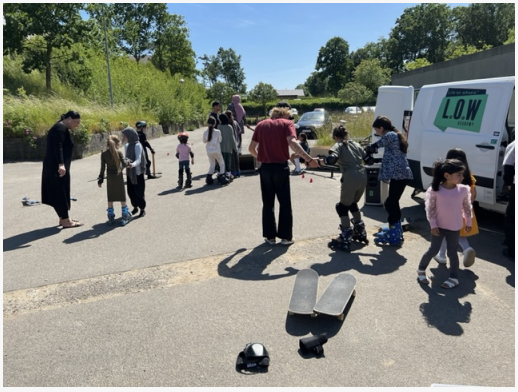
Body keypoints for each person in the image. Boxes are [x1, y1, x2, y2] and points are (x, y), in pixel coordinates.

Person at [248, 104, 321, 245]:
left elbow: (251, 148)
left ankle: (270, 237)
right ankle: (286, 237)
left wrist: (261, 158)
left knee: (268, 203)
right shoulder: (287, 124)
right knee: (285, 203)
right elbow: (292, 142)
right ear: (285, 114)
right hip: (280, 167)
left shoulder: (261, 125)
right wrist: (309, 159)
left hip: (265, 168)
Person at [417, 159, 472, 289]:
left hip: (455, 227)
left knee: (452, 253)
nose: (462, 177)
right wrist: (433, 225)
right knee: (433, 250)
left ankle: (454, 277)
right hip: (439, 227)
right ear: (447, 175)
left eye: (462, 174)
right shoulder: (435, 190)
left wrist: (468, 221)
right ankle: (421, 269)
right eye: (459, 174)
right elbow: (430, 208)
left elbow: (467, 207)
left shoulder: (463, 189)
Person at [365, 115, 413, 245]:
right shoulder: (395, 135)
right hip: (400, 174)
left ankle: (395, 232)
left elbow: (375, 146)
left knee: (391, 202)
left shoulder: (390, 135)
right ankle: (395, 229)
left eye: (376, 129)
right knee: (392, 202)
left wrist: (367, 150)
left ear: (381, 128)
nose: (376, 132)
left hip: (399, 174)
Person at [324, 124, 368, 252]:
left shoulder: (339, 144)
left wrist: (324, 161)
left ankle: (346, 236)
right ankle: (360, 230)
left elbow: (332, 159)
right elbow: (368, 159)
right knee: (352, 204)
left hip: (351, 176)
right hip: (362, 175)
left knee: (342, 207)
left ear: (335, 136)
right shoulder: (355, 144)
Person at [434, 148, 477, 267]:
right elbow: (473, 194)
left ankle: (442, 256)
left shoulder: (447, 175)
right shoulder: (468, 176)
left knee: (443, 233)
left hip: (449, 211)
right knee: (459, 234)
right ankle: (467, 248)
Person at [41, 111, 84, 228]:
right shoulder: (60, 129)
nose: (77, 125)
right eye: (76, 122)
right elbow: (58, 147)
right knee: (61, 192)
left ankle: (63, 218)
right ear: (69, 119)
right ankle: (65, 220)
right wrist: (61, 164)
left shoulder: (59, 127)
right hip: (57, 168)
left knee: (59, 192)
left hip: (54, 167)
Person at [97, 135, 132, 226]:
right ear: (117, 143)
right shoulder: (119, 153)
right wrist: (129, 162)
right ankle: (125, 215)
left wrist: (100, 179)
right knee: (121, 196)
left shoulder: (104, 154)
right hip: (118, 176)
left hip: (110, 178)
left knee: (111, 196)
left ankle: (111, 216)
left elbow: (102, 168)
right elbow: (124, 164)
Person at [122, 127, 147, 217]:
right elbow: (125, 159)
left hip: (137, 173)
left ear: (130, 135)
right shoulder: (127, 145)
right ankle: (135, 207)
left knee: (139, 192)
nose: (124, 138)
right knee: (131, 192)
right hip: (130, 173)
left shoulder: (137, 145)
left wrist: (132, 165)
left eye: (125, 136)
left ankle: (142, 209)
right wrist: (120, 168)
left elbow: (139, 159)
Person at [203, 117, 226, 185]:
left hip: (209, 151)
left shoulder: (205, 132)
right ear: (215, 123)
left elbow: (204, 141)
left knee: (212, 164)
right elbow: (220, 140)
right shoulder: (217, 131)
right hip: (217, 150)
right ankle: (221, 176)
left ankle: (209, 177)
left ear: (207, 123)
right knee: (221, 163)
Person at [502, 140, 515, 259]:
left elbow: (508, 165)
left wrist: (508, 183)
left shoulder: (514, 145)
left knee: (512, 218)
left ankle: (512, 250)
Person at [219, 113, 238, 181]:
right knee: (228, 162)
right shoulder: (229, 127)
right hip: (228, 147)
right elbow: (232, 138)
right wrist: (235, 148)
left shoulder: (219, 126)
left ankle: (222, 174)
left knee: (222, 162)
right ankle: (228, 174)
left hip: (220, 148)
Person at [226, 109, 242, 178]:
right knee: (236, 159)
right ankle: (237, 172)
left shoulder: (227, 124)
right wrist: (240, 142)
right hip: (236, 142)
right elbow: (239, 132)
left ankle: (232, 173)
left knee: (231, 160)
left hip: (229, 144)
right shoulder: (235, 122)